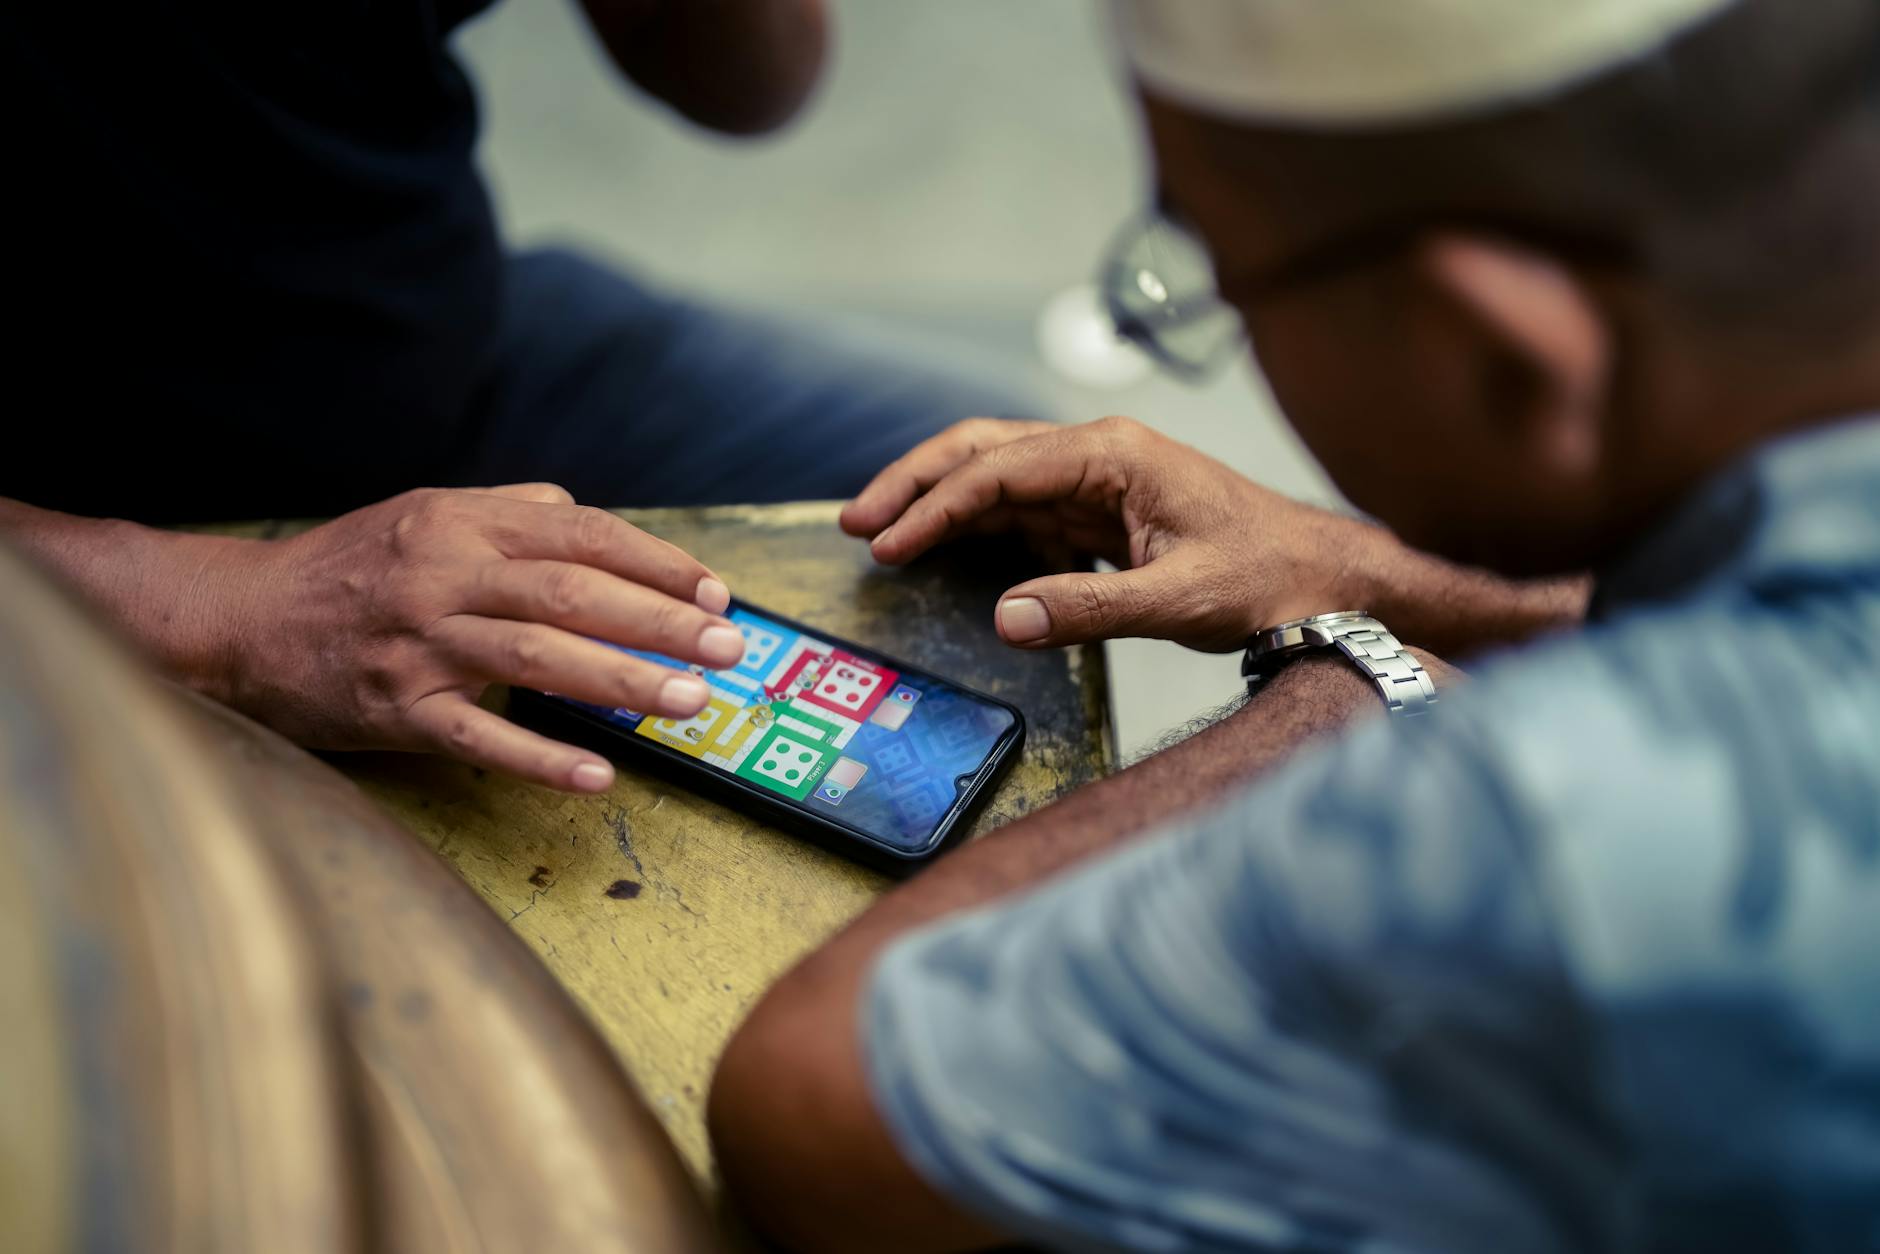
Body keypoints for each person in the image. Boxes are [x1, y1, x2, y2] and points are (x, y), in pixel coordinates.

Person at [707, 1, 1880, 1250]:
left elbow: (823, 1109)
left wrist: (1353, 681)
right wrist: (1376, 574)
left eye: (1214, 270)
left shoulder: (1553, 817)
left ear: (1489, 354)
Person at [0, 0, 1031, 791]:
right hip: (102, 511)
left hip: (452, 348)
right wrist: (221, 616)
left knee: (1008, 485)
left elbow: (752, 86)